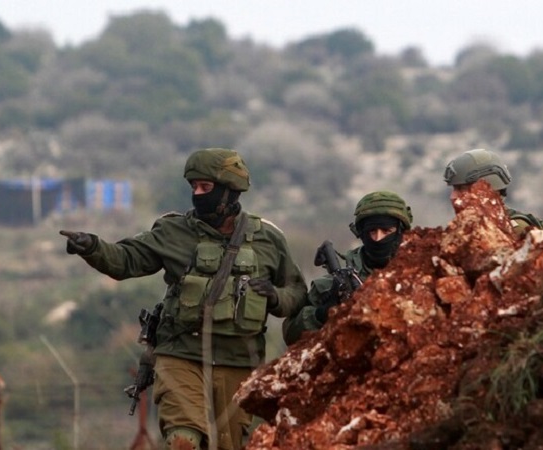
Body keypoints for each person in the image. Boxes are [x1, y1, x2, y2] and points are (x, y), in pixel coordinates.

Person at [60, 148, 307, 450]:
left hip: (239, 362)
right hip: (180, 355)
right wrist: (92, 247)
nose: (197, 194)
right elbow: (126, 259)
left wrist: (275, 297)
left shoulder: (267, 238)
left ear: (229, 190)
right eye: (193, 187)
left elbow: (297, 292)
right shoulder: (173, 231)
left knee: (231, 444)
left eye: (205, 187)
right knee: (183, 440)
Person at [282, 191, 413, 345]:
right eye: (372, 231)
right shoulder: (329, 286)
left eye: (386, 231)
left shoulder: (418, 277)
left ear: (401, 232)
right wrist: (321, 314)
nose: (378, 238)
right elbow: (290, 334)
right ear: (361, 234)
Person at [443, 148, 543, 236]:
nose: (453, 196)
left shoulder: (515, 231)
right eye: (454, 188)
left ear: (487, 189)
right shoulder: (465, 231)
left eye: (461, 188)